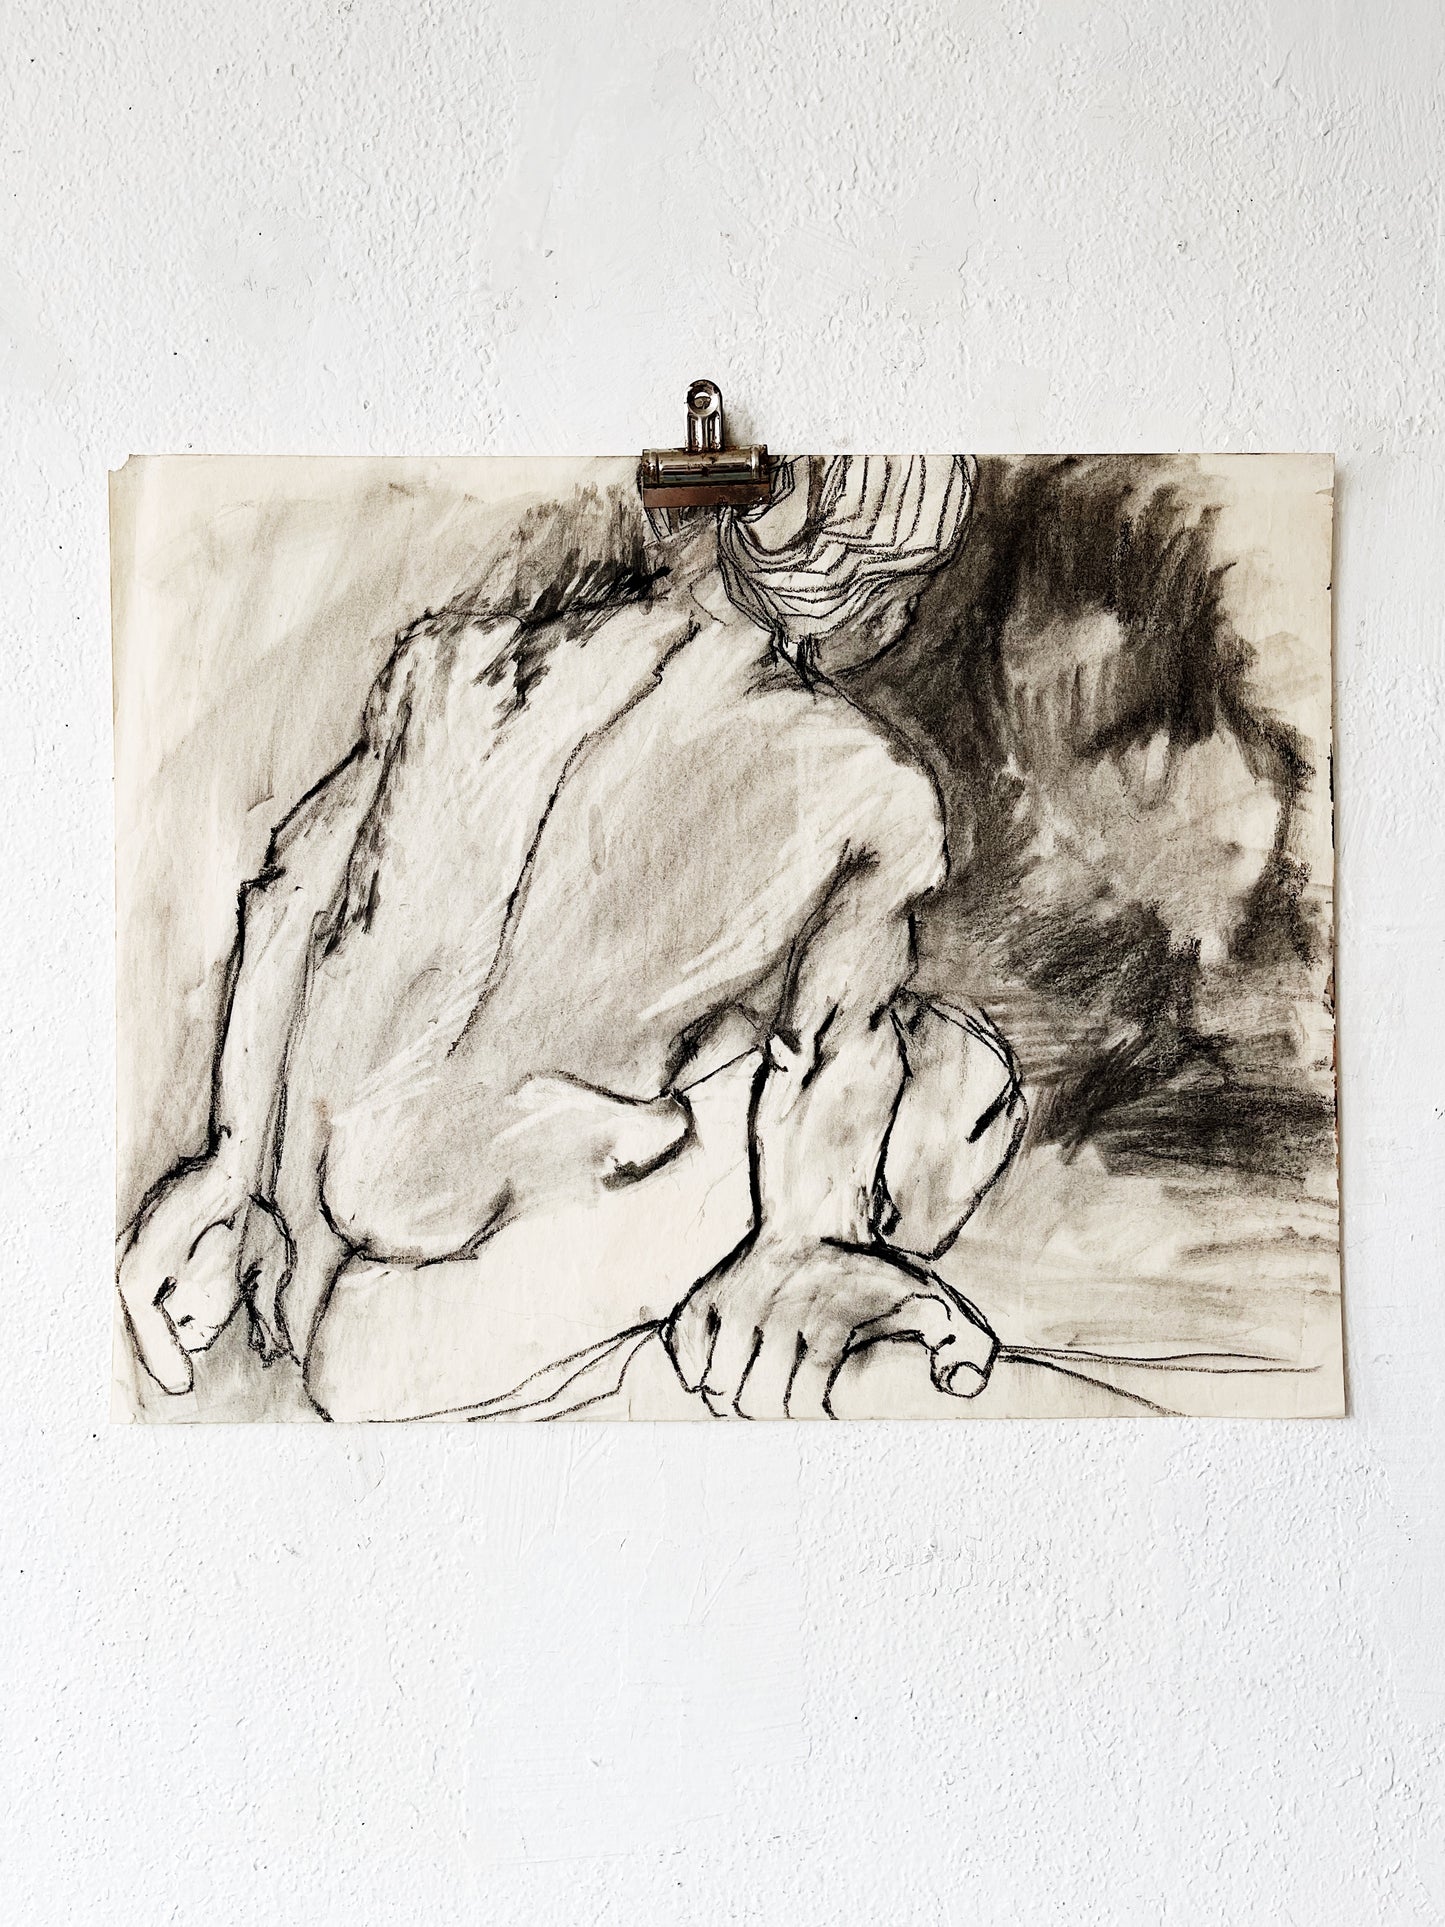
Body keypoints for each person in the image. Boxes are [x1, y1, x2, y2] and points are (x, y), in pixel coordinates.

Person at [117, 454, 1026, 1420]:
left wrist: (231, 1165)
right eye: (905, 589)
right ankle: (748, 1309)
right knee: (960, 1072)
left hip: (308, 1221)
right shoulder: (868, 787)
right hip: (411, 1319)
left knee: (698, 1033)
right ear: (855, 584)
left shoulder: (453, 658)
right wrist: (806, 1234)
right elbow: (827, 1047)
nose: (903, 622)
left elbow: (290, 900)